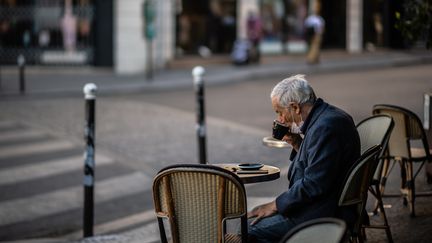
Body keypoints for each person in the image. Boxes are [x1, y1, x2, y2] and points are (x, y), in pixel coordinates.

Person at [247, 74, 360, 242]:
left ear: (295, 107)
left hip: (320, 214)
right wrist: (296, 143)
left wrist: (274, 205)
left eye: (280, 112)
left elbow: (314, 184)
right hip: (323, 205)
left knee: (245, 230)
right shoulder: (326, 117)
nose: (280, 119)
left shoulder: (325, 127)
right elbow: (319, 164)